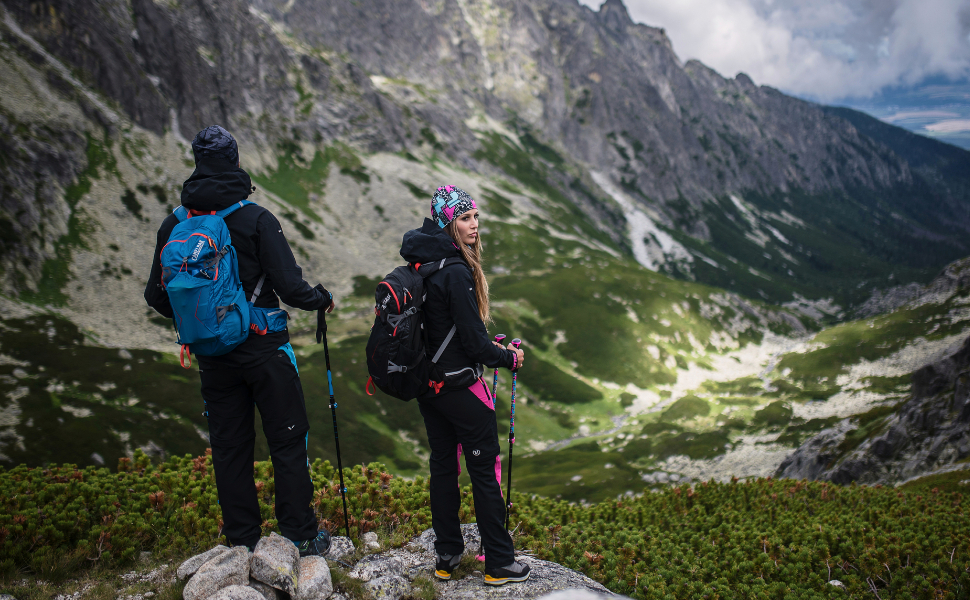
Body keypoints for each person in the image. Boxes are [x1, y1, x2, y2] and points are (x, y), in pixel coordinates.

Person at [144, 125, 334, 555]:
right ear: (235, 162)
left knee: (230, 449)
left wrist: (201, 325)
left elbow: (156, 295)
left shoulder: (176, 223)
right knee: (287, 440)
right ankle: (300, 536)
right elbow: (291, 287)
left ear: (197, 163)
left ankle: (241, 542)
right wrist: (322, 299)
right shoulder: (257, 218)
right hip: (266, 351)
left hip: (213, 357)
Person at [399, 185, 530, 586]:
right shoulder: (456, 270)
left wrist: (483, 344)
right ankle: (499, 563)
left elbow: (449, 330)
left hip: (430, 388)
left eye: (475, 217)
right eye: (464, 218)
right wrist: (508, 357)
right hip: (460, 389)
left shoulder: (425, 261)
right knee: (484, 470)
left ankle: (446, 556)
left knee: (443, 467)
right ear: (447, 222)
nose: (473, 226)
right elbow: (472, 341)